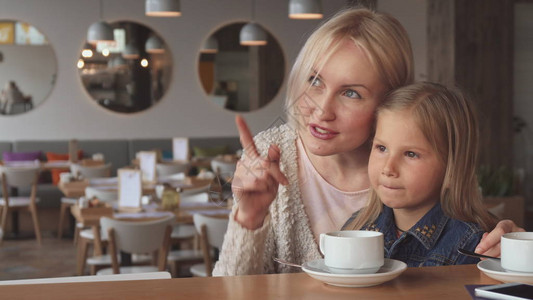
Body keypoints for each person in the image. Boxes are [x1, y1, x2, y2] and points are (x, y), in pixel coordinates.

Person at [213, 7, 522, 276]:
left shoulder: (419, 170)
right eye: (315, 80)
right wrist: (248, 217)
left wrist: (511, 246)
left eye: (351, 93)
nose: (321, 110)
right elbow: (228, 288)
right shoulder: (269, 152)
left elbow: (469, 228)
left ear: (389, 102)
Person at [342, 82, 496, 266]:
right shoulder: (357, 226)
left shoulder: (474, 247)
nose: (388, 168)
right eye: (381, 148)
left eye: (411, 154)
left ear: (451, 166)